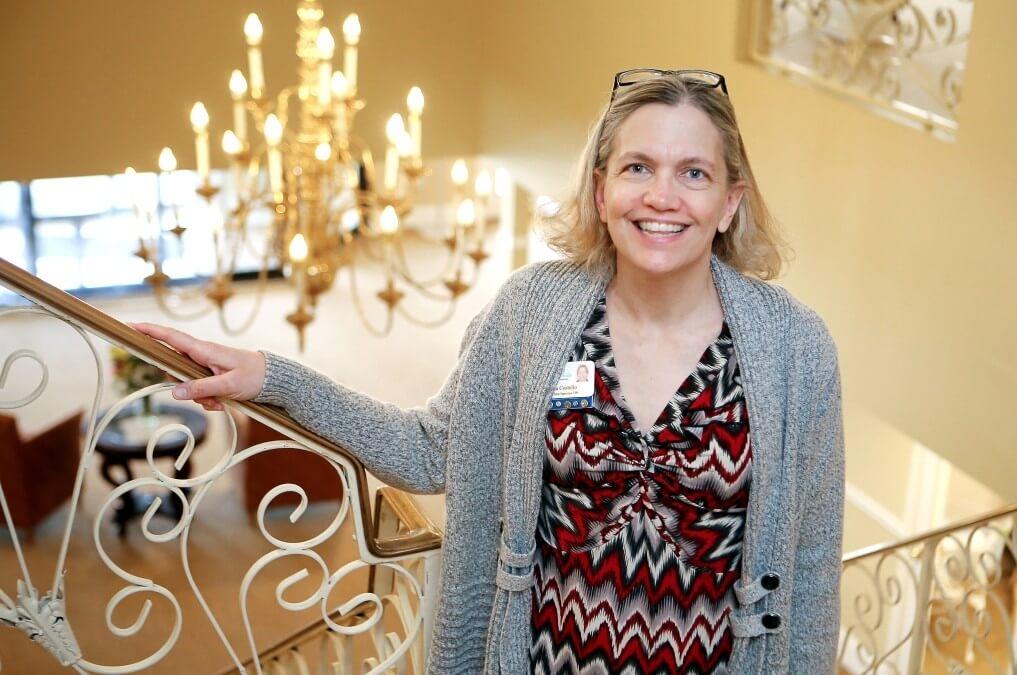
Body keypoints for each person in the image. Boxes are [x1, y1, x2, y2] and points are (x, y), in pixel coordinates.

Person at [135, 68, 844, 674]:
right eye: (637, 167)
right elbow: (429, 447)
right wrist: (273, 376)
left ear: (729, 201)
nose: (662, 196)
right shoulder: (531, 310)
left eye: (694, 172)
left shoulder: (796, 347)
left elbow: (810, 563)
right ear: (601, 191)